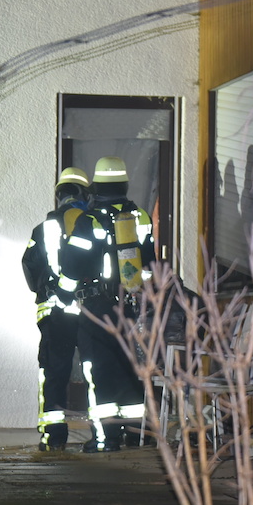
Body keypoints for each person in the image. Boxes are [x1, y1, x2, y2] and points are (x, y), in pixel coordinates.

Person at [57, 156, 156, 452]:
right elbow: (151, 261)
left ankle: (106, 438)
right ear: (124, 184)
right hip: (134, 304)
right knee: (132, 367)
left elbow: (73, 265)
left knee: (99, 370)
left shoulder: (89, 221)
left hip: (97, 307)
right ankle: (138, 433)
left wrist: (63, 296)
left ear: (96, 187)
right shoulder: (140, 216)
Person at [21, 167, 90, 451]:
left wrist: (44, 289)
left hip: (53, 310)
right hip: (88, 308)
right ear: (84, 194)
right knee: (95, 370)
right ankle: (104, 435)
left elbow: (29, 264)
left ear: (59, 195)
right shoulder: (91, 224)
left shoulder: (42, 229)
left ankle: (54, 436)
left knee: (54, 371)